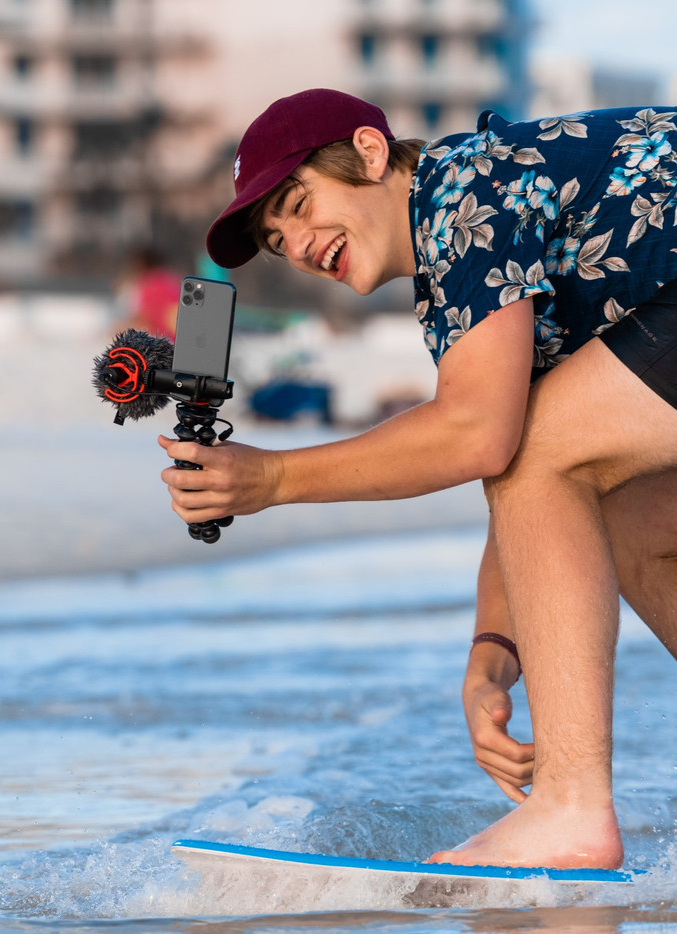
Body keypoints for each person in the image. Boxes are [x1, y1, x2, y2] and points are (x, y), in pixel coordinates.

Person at [158, 89, 677, 869]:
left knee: (550, 454)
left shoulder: (464, 193)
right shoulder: (458, 260)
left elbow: (479, 436)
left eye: (298, 205)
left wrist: (271, 480)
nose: (297, 245)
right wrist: (492, 655)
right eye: (276, 239)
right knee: (626, 513)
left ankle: (571, 809)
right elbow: (519, 460)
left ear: (370, 154)